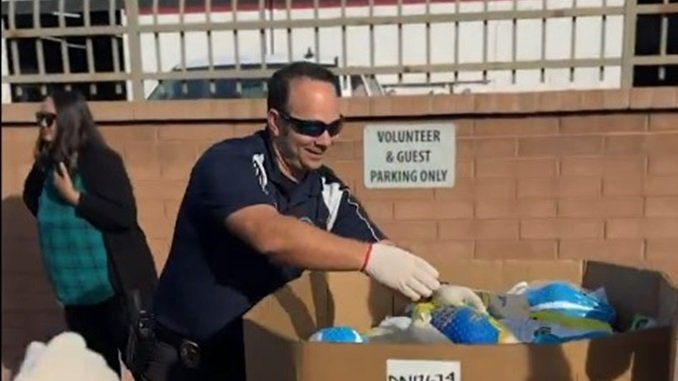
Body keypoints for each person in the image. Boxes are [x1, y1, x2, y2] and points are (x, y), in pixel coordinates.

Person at [142, 61, 451, 381]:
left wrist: (440, 295)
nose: (325, 141)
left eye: (334, 127)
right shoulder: (228, 164)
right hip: (190, 362)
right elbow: (271, 236)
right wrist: (369, 259)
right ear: (276, 122)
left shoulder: (325, 188)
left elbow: (384, 250)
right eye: (312, 128)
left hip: (257, 357)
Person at [22, 89, 158, 379]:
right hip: (77, 299)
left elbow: (123, 215)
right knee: (97, 372)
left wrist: (76, 200)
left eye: (48, 118)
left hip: (116, 292)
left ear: (70, 119)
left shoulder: (100, 160)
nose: (42, 125)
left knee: (146, 369)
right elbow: (31, 198)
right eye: (39, 118)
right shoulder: (47, 164)